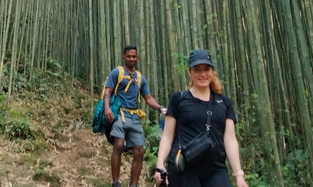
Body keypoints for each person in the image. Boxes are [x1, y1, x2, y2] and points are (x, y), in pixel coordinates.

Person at [154, 49, 248, 187]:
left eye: (206, 69)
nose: (203, 74)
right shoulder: (178, 99)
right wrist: (160, 164)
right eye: (197, 69)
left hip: (216, 168)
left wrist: (238, 174)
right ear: (189, 72)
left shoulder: (224, 102)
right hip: (185, 169)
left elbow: (229, 139)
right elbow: (167, 136)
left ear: (212, 71)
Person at [104, 45, 168, 187]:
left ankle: (133, 185)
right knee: (119, 145)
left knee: (139, 151)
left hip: (133, 116)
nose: (131, 59)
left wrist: (160, 108)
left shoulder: (140, 78)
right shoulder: (117, 72)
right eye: (129, 56)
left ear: (137, 58)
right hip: (120, 113)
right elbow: (107, 92)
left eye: (134, 56)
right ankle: (116, 182)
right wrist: (107, 108)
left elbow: (148, 98)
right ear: (124, 57)